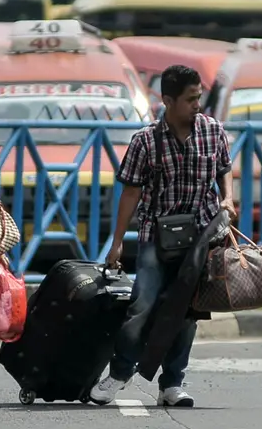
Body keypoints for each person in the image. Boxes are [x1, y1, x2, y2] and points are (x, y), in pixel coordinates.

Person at [89, 64, 236, 407]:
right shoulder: (145, 140)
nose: (197, 105)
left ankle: (172, 384)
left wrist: (227, 197)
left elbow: (225, 169)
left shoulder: (213, 131)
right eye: (189, 100)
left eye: (199, 98)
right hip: (156, 237)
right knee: (142, 306)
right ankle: (118, 375)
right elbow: (130, 193)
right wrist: (116, 242)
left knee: (186, 312)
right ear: (168, 101)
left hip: (200, 238)